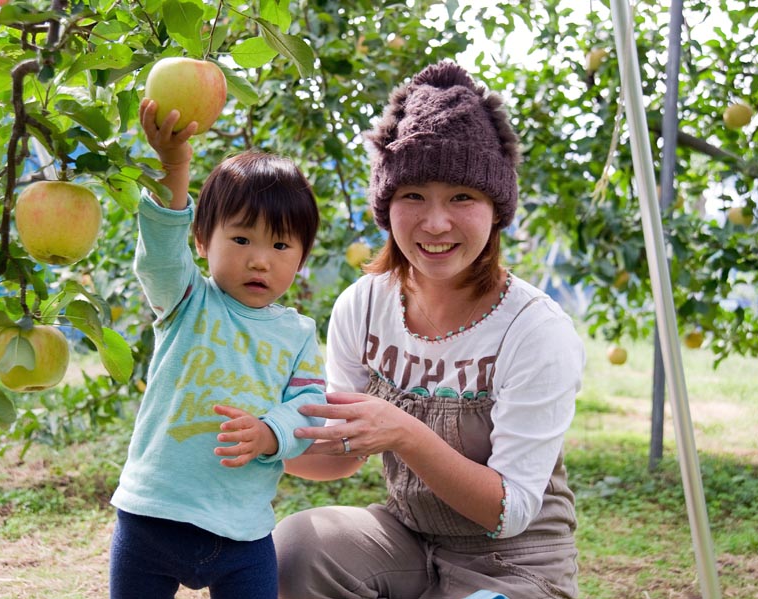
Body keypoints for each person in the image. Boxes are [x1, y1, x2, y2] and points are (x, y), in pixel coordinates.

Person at [273, 60, 586, 598]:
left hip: (515, 561)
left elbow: (508, 511)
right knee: (298, 545)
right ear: (387, 205)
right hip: (408, 540)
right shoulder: (363, 306)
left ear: (495, 209)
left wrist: (403, 432)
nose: (436, 223)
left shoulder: (535, 330)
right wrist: (261, 440)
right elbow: (343, 453)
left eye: (462, 197)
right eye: (413, 195)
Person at [109, 99, 327, 599]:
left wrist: (272, 433)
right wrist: (174, 166)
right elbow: (160, 254)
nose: (259, 261)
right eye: (242, 238)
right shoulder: (186, 300)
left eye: (280, 246)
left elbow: (309, 413)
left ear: (301, 257)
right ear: (203, 241)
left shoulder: (297, 333)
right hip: (152, 517)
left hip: (243, 530)